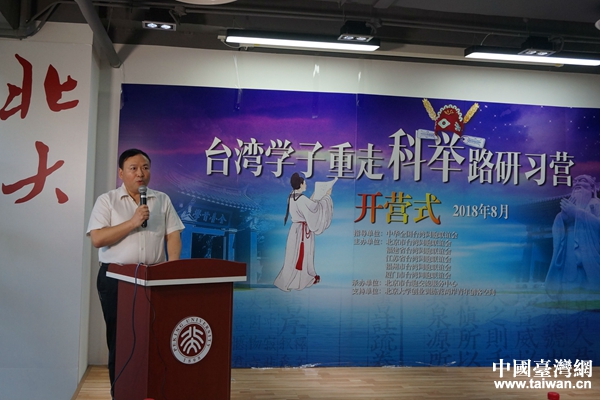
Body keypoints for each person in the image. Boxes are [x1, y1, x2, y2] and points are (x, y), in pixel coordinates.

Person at [86, 149, 184, 395]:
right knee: (121, 339)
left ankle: (154, 391)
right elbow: (97, 239)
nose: (141, 173)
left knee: (157, 336)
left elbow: (173, 235)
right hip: (117, 279)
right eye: (133, 168)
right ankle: (121, 393)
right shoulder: (107, 200)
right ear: (121, 173)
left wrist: (172, 269)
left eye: (145, 167)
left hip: (155, 278)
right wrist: (132, 222)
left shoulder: (162, 199)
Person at [274, 172, 333, 291]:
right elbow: (315, 208)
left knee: (292, 257)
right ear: (300, 184)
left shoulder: (291, 196)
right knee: (303, 255)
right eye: (304, 183)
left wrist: (316, 194)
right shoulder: (302, 199)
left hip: (295, 229)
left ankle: (293, 281)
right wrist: (326, 197)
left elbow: (308, 206)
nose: (306, 185)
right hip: (302, 232)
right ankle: (298, 281)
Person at [545, 174, 600, 297]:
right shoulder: (570, 204)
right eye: (575, 182)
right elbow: (558, 227)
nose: (577, 183)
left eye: (583, 180)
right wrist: (562, 218)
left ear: (592, 188)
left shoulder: (596, 204)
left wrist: (576, 213)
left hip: (589, 252)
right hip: (568, 248)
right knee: (569, 277)